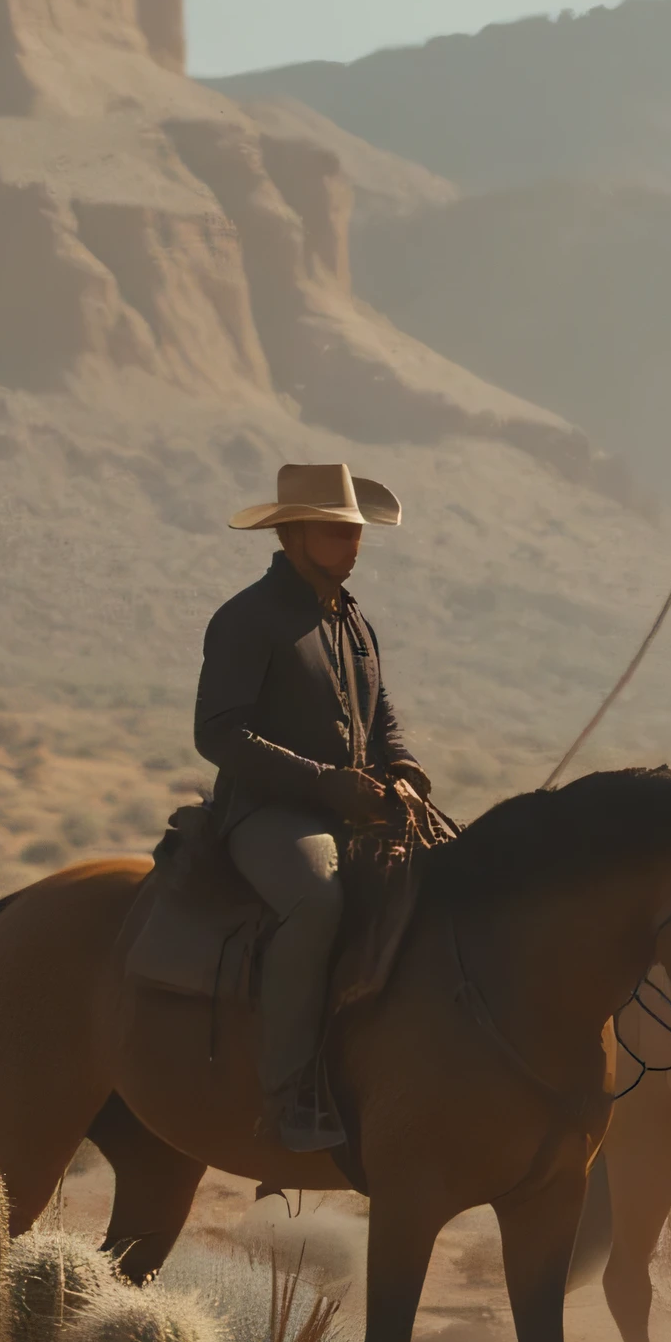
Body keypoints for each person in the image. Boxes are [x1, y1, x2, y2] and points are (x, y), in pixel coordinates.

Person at [196, 459, 432, 1157]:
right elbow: (217, 734)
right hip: (266, 816)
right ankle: (291, 1091)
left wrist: (406, 767)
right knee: (316, 901)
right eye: (335, 531)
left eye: (356, 530)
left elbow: (382, 715)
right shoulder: (246, 619)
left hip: (350, 807)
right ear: (294, 534)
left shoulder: (354, 621)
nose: (352, 543)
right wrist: (325, 781)